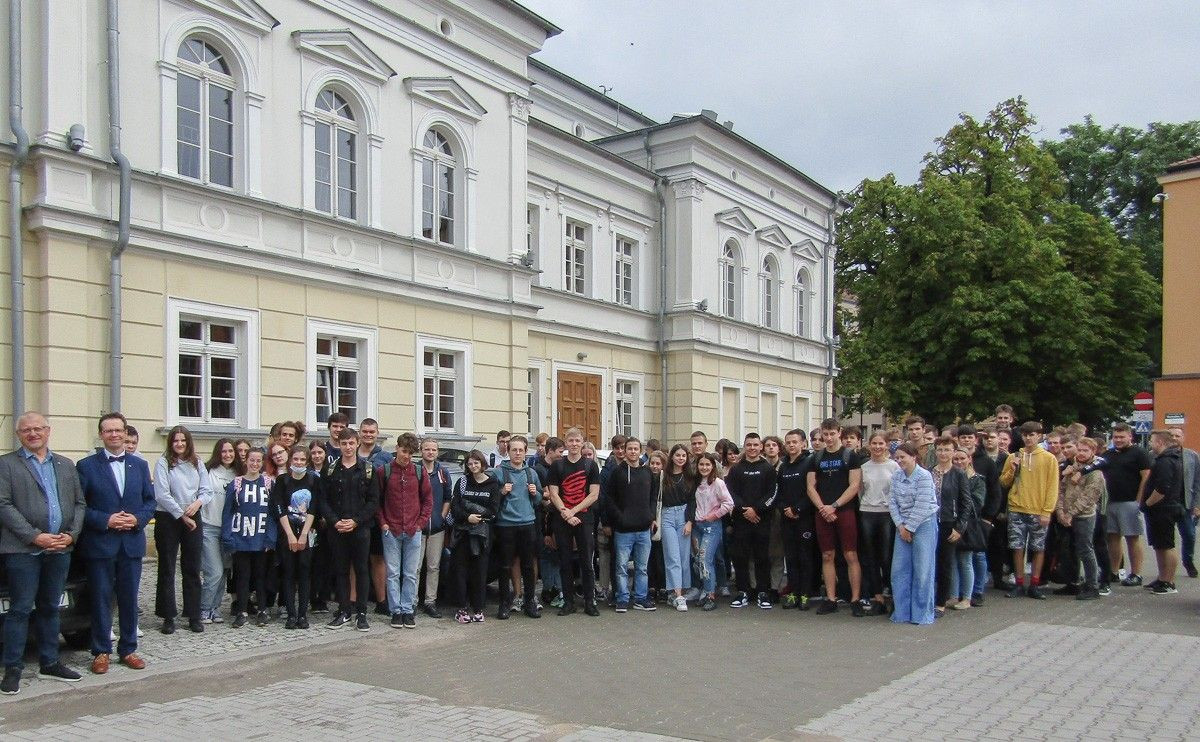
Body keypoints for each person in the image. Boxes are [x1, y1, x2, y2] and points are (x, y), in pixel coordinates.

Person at [0, 412, 86, 693]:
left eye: (38, 428)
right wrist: (35, 537)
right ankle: (13, 668)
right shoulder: (7, 465)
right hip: (22, 550)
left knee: (50, 607)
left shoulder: (64, 464)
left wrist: (70, 535)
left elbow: (79, 504)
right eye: (26, 430)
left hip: (60, 548)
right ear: (18, 435)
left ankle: (50, 662)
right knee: (21, 609)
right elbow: (3, 505)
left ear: (48, 431)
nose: (33, 433)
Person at [77, 412, 156, 674]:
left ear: (125, 433)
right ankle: (101, 651)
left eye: (118, 430)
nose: (114, 435)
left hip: (131, 543)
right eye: (108, 431)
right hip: (101, 543)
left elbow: (150, 502)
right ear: (101, 434)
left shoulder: (140, 465)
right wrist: (106, 520)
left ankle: (128, 649)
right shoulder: (86, 466)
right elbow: (80, 507)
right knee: (100, 599)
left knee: (129, 598)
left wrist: (136, 519)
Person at [318, 427, 380, 632]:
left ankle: (361, 613)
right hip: (337, 529)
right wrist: (335, 521)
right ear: (339, 445)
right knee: (341, 571)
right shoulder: (330, 469)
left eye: (351, 443)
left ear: (357, 444)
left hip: (360, 528)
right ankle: (344, 611)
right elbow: (323, 500)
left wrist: (355, 521)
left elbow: (373, 501)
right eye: (344, 443)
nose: (347, 447)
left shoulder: (368, 469)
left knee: (362, 570)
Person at [154, 425, 213, 634]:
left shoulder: (197, 463)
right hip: (168, 516)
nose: (179, 444)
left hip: (193, 514)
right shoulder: (163, 462)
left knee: (192, 567)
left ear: (188, 442)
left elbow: (206, 490)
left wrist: (197, 504)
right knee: (167, 567)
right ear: (170, 442)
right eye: (175, 440)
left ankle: (193, 615)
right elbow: (161, 493)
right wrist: (181, 515)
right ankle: (168, 615)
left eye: (183, 440)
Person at [807, 419, 865, 616]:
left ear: (839, 432)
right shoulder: (816, 458)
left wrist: (834, 506)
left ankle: (855, 599)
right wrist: (823, 508)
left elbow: (854, 485)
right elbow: (810, 487)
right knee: (827, 555)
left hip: (844, 510)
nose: (829, 438)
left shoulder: (850, 456)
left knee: (850, 554)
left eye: (832, 434)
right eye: (825, 434)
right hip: (822, 512)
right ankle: (831, 598)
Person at [999, 421, 1059, 599]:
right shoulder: (1014, 456)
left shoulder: (1049, 459)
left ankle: (1035, 583)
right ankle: (1018, 583)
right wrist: (1012, 469)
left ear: (1039, 436)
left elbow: (1052, 487)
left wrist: (1047, 511)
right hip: (1017, 508)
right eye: (1025, 435)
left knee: (1038, 547)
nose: (1028, 438)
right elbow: (1003, 482)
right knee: (1017, 547)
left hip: (1038, 510)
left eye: (1032, 435)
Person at [379, 433, 432, 629]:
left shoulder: (419, 472)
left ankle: (408, 609)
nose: (406, 456)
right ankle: (396, 611)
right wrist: (383, 523)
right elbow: (377, 502)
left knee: (410, 573)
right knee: (393, 573)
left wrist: (420, 524)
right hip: (391, 529)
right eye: (403, 451)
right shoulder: (383, 471)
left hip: (413, 529)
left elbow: (428, 501)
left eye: (410, 453)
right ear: (397, 448)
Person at [546, 427, 602, 616]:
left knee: (587, 562)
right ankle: (568, 602)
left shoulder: (590, 465)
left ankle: (589, 601)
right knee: (565, 561)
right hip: (562, 519)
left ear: (582, 441)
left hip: (584, 518)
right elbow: (553, 493)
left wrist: (573, 511)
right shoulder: (557, 466)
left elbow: (594, 494)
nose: (574, 444)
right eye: (571, 441)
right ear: (566, 443)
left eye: (578, 441)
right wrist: (565, 512)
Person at [221, 449, 276, 628]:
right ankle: (242, 611)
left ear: (262, 462)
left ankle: (261, 610)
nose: (254, 464)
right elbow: (228, 511)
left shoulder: (268, 483)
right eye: (252, 460)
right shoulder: (236, 484)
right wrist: (228, 537)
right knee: (242, 577)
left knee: (260, 576)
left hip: (261, 538)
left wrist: (270, 538)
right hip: (241, 537)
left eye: (258, 461)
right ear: (246, 461)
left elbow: (272, 514)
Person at [492, 435, 542, 619]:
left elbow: (538, 501)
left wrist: (535, 493)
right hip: (505, 525)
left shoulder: (531, 473)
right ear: (508, 451)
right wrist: (501, 492)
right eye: (514, 450)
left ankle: (530, 602)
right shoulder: (498, 473)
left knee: (529, 566)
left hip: (527, 524)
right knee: (504, 566)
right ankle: (504, 604)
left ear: (525, 451)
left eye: (521, 450)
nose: (517, 453)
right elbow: (491, 498)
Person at [888, 443, 939, 625]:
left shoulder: (924, 476)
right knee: (899, 570)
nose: (900, 460)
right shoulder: (896, 476)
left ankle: (922, 614)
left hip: (924, 524)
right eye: (897, 457)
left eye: (903, 457)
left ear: (913, 457)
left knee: (923, 570)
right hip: (901, 526)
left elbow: (923, 504)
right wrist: (901, 526)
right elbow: (892, 502)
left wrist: (910, 528)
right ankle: (901, 612)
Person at [725, 433, 777, 609]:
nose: (752, 448)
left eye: (756, 445)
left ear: (760, 447)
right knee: (741, 558)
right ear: (744, 447)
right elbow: (730, 493)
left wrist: (757, 509)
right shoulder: (736, 469)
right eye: (749, 445)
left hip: (762, 520)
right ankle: (743, 591)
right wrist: (744, 510)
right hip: (741, 520)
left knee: (762, 557)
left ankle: (763, 591)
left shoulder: (768, 469)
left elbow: (772, 493)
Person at [451, 451, 503, 623]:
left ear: (482, 463)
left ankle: (478, 609)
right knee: (460, 572)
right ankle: (461, 608)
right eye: (470, 464)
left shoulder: (492, 483)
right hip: (462, 533)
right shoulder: (463, 482)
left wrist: (477, 516)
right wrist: (467, 517)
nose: (473, 466)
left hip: (482, 535)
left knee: (480, 572)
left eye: (476, 463)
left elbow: (494, 509)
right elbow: (455, 507)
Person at [607, 438, 657, 613]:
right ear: (625, 451)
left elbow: (653, 496)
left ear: (640, 450)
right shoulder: (617, 472)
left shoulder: (647, 472)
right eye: (629, 449)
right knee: (621, 567)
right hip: (623, 530)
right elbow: (609, 498)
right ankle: (622, 599)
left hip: (644, 529)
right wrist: (619, 518)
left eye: (636, 449)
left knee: (642, 568)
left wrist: (651, 516)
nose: (633, 452)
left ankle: (641, 598)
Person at [271, 446, 318, 629]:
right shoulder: (282, 480)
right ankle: (291, 614)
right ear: (290, 461)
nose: (298, 463)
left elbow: (314, 508)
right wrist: (291, 535)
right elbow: (279, 507)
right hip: (287, 532)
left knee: (305, 572)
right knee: (289, 572)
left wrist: (304, 535)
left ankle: (302, 614)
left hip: (307, 532)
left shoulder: (313, 480)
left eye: (302, 460)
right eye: (295, 459)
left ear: (307, 462)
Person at [1101, 423, 1153, 587]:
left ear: (1130, 436)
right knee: (1112, 538)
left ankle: (1136, 573)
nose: (1118, 440)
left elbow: (1146, 477)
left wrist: (1139, 500)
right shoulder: (1108, 454)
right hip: (1111, 502)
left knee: (1132, 538)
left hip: (1130, 502)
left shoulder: (1139, 453)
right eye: (1115, 437)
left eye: (1122, 437)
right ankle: (1114, 571)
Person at [1056, 437, 1105, 600]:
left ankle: (1093, 586)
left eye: (1086, 450)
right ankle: (1072, 582)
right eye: (1080, 450)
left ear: (1093, 452)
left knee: (1086, 549)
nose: (1082, 453)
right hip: (1066, 514)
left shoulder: (1095, 472)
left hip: (1084, 516)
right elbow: (1061, 489)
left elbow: (1088, 498)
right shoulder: (1071, 468)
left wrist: (1071, 513)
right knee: (1068, 551)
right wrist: (1060, 511)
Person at [928, 437, 973, 616]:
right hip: (931, 522)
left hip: (949, 523)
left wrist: (959, 527)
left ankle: (941, 603)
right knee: (930, 562)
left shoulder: (958, 473)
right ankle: (929, 598)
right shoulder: (930, 472)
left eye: (947, 450)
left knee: (945, 563)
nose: (943, 453)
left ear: (953, 452)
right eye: (940, 450)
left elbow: (966, 502)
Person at [859, 431, 900, 615]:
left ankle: (892, 595)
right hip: (867, 512)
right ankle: (878, 598)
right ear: (869, 445)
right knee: (870, 557)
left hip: (887, 514)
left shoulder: (894, 467)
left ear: (887, 445)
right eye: (874, 443)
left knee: (886, 557)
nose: (877, 447)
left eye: (880, 443)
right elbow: (860, 490)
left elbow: (898, 491)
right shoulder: (864, 467)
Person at [1142, 430, 1186, 594]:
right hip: (1161, 509)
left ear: (1160, 442)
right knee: (1159, 545)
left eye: (1152, 441)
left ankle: (1168, 581)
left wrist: (1148, 503)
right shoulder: (1165, 459)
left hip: (1164, 509)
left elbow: (1162, 488)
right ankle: (1162, 578)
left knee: (1167, 546)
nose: (1150, 444)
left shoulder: (1166, 461)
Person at [201, 439, 240, 623]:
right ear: (218, 453)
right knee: (213, 571)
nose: (228, 455)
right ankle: (204, 607)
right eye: (224, 451)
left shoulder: (238, 474)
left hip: (229, 529)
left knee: (224, 571)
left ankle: (215, 608)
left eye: (231, 451)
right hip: (209, 525)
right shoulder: (208, 471)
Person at [777, 429, 815, 610]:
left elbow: (812, 491)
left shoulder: (809, 463)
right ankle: (793, 592)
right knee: (790, 557)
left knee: (805, 556)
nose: (791, 445)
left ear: (803, 444)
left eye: (795, 442)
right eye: (788, 442)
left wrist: (798, 508)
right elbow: (780, 491)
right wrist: (785, 509)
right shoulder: (783, 466)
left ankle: (806, 593)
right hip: (787, 518)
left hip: (804, 517)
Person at [691, 452, 734, 611]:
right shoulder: (695, 482)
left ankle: (710, 595)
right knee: (697, 561)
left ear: (713, 466)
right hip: (697, 527)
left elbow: (729, 503)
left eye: (707, 465)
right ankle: (704, 590)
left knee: (705, 559)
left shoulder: (717, 483)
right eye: (701, 464)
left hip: (712, 527)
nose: (704, 467)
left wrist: (713, 515)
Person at [417, 437, 452, 618]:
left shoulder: (443, 473)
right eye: (427, 449)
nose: (430, 452)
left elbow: (448, 498)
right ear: (421, 451)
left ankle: (430, 601)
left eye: (433, 450)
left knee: (433, 566)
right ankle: (412, 601)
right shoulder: (414, 470)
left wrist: (441, 517)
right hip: (417, 528)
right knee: (414, 567)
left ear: (437, 452)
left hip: (437, 528)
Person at [661, 444, 696, 610]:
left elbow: (693, 501)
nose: (681, 458)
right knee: (672, 556)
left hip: (684, 515)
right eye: (678, 455)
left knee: (683, 558)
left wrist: (690, 521)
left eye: (683, 455)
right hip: (667, 516)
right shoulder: (663, 476)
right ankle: (677, 594)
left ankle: (681, 590)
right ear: (672, 457)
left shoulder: (690, 477)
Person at [949, 448, 985, 610]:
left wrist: (960, 497)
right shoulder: (949, 476)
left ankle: (967, 597)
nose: (958, 462)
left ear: (969, 459)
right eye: (955, 459)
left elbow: (977, 503)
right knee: (952, 561)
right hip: (950, 522)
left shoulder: (977, 480)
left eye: (962, 458)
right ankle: (954, 595)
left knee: (965, 561)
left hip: (967, 524)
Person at [535, 437, 565, 608]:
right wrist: (549, 498)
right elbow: (543, 495)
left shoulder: (559, 467)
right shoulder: (539, 469)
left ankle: (557, 588)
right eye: (560, 451)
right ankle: (548, 589)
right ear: (551, 451)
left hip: (557, 515)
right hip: (544, 518)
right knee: (547, 555)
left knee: (556, 555)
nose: (562, 455)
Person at [1168, 427, 1200, 578]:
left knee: (1189, 534)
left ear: (1183, 438)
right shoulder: (1156, 455)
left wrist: (1197, 505)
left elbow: (1198, 482)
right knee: (1165, 539)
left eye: (1177, 435)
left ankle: (1188, 560)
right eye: (1171, 435)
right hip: (1165, 504)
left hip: (1185, 503)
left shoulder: (1192, 456)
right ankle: (1167, 569)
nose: (1174, 438)